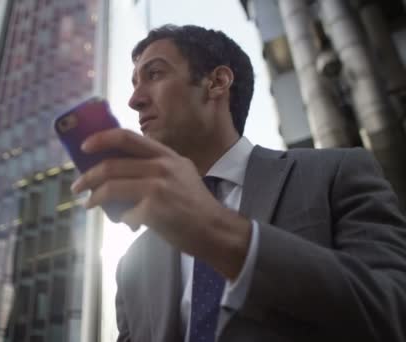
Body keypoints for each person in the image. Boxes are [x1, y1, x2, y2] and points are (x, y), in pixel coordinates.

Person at [70, 24, 406, 341]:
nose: (135, 100)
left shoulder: (335, 173)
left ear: (216, 82)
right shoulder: (132, 264)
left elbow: (393, 313)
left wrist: (219, 233)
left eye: (154, 74)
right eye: (133, 83)